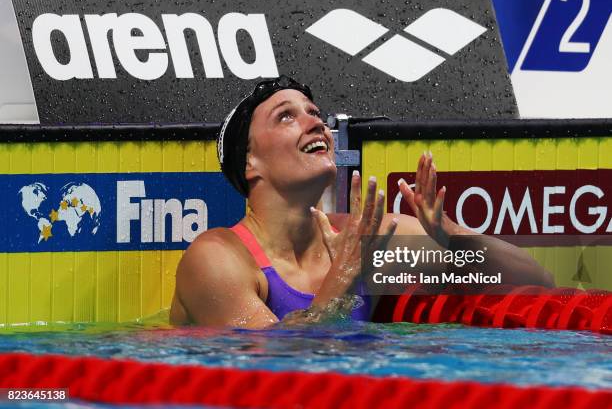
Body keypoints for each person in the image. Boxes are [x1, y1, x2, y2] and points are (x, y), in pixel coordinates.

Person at [170, 75, 553, 328]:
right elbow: (271, 373)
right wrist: (346, 273)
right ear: (249, 162)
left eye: (315, 114)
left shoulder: (365, 237)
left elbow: (536, 280)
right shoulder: (216, 259)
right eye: (286, 116)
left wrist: (453, 237)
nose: (316, 123)